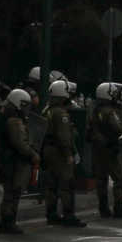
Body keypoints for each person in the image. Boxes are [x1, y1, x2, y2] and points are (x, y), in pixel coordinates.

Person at [0, 87, 39, 233]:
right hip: (12, 162)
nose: (27, 109)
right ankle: (8, 222)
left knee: (11, 192)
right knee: (12, 193)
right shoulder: (14, 121)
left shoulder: (7, 117)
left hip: (8, 161)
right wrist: (33, 154)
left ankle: (7, 222)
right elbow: (20, 143)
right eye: (26, 105)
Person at [40, 80, 81, 226]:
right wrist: (69, 154)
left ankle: (51, 214)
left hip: (47, 150)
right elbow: (64, 137)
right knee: (67, 184)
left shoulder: (47, 110)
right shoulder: (61, 113)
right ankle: (69, 215)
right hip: (59, 152)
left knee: (51, 185)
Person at [90, 83, 122, 217]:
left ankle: (103, 208)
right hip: (111, 148)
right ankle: (119, 208)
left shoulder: (95, 109)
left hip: (98, 149)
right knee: (119, 180)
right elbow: (117, 127)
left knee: (101, 180)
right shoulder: (109, 111)